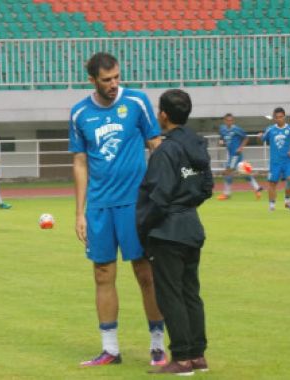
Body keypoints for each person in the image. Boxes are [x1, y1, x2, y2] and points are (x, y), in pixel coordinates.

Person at [69, 52, 166, 367]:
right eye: (107, 80)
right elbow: (80, 162)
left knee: (145, 273)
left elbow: (156, 145)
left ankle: (157, 345)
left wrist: (167, 190)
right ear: (92, 80)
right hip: (99, 206)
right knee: (102, 274)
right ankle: (110, 349)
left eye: (116, 78)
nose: (114, 84)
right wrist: (79, 212)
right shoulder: (79, 113)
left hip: (136, 204)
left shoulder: (137, 102)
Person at [136, 89, 213, 375]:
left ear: (164, 115)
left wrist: (143, 227)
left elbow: (158, 196)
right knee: (191, 292)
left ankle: (181, 358)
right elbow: (206, 187)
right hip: (191, 227)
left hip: (168, 231)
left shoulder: (166, 151)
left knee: (170, 294)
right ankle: (197, 355)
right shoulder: (197, 145)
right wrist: (186, 203)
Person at [259, 107, 290, 211]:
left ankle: (287, 201)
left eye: (281, 117)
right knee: (272, 183)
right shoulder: (270, 129)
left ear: (284, 117)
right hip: (275, 162)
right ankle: (272, 206)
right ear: (274, 118)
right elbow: (263, 139)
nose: (279, 119)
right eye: (277, 117)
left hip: (287, 161)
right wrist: (260, 136)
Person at [217, 113, 263, 200]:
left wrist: (241, 147)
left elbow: (246, 138)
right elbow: (221, 137)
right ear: (225, 121)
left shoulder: (237, 129)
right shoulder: (222, 129)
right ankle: (257, 189)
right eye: (227, 120)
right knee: (244, 173)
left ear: (233, 121)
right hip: (231, 155)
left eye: (231, 120)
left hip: (236, 155)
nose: (229, 122)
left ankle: (226, 194)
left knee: (228, 172)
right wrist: (221, 141)